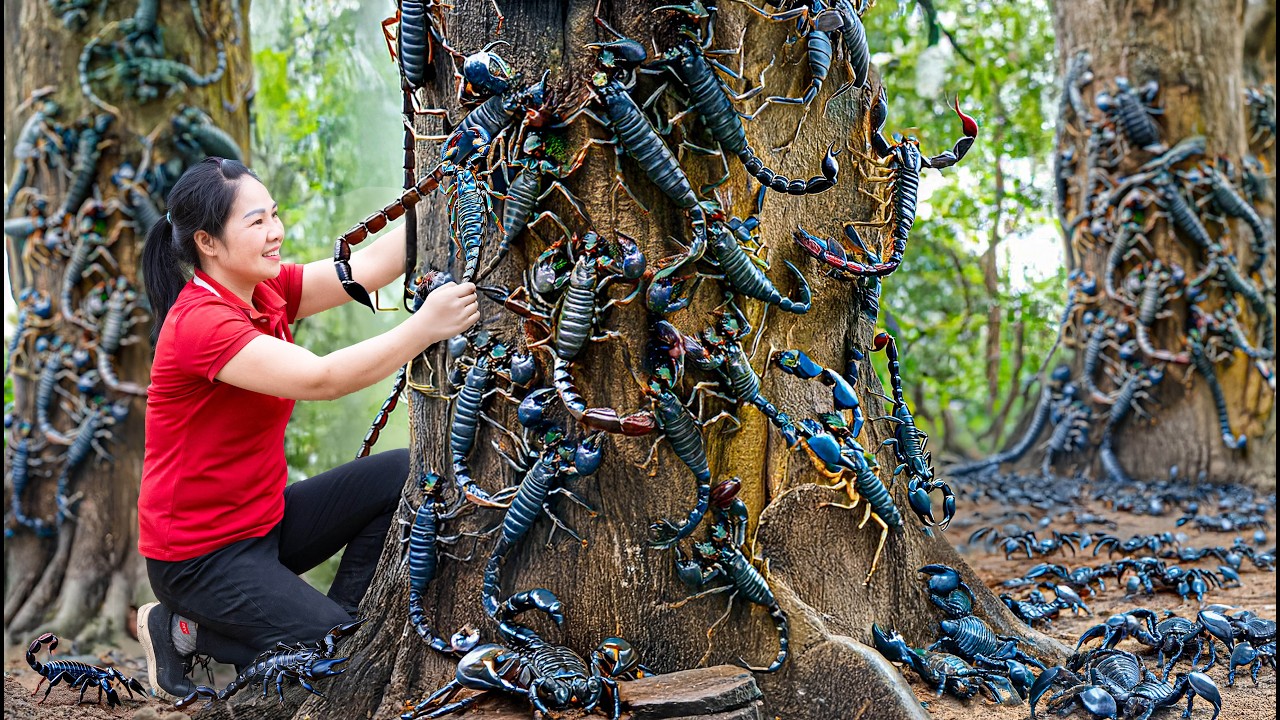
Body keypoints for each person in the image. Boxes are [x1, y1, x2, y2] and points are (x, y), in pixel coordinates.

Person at [134, 156, 479, 701]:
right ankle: (187, 628)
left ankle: (336, 622)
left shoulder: (263, 290)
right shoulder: (202, 323)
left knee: (403, 474)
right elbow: (321, 379)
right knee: (337, 662)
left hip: (261, 523)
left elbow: (364, 269)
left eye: (274, 215)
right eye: (256, 223)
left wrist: (459, 184)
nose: (275, 232)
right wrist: (425, 326)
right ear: (208, 242)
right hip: (199, 559)